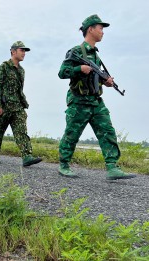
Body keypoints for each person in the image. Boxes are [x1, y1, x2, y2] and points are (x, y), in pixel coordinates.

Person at [57, 14, 136, 180]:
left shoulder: (96, 56)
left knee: (107, 131)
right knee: (72, 134)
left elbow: (94, 78)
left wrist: (106, 82)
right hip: (79, 101)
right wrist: (79, 70)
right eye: (100, 28)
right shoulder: (76, 51)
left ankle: (112, 167)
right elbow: (62, 73)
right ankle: (64, 165)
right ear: (90, 29)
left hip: (95, 101)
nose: (103, 32)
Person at [0, 41, 42, 166]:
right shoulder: (4, 66)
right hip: (5, 105)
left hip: (17, 106)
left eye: (25, 51)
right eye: (21, 50)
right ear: (13, 51)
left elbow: (19, 90)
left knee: (21, 131)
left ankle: (27, 156)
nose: (24, 53)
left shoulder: (22, 71)